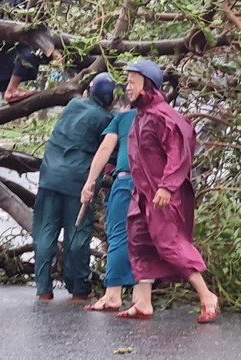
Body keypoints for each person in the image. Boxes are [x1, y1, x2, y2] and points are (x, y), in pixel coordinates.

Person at [118, 59, 219, 324]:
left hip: (162, 194)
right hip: (142, 195)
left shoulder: (163, 115)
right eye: (127, 82)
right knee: (139, 242)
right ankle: (143, 302)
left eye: (132, 82)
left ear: (147, 85)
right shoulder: (141, 115)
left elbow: (179, 151)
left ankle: (207, 295)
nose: (127, 87)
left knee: (169, 243)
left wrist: (167, 185)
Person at [33, 72, 116, 300]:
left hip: (50, 175)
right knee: (77, 233)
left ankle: (43, 288)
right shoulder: (106, 120)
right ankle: (78, 287)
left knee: (45, 232)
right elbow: (111, 150)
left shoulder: (72, 105)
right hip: (78, 181)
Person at [79, 98, 137, 311]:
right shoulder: (160, 116)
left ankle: (113, 294)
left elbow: (105, 149)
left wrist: (90, 181)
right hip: (150, 184)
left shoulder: (123, 118)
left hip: (126, 180)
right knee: (141, 237)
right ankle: (141, 298)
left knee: (118, 235)